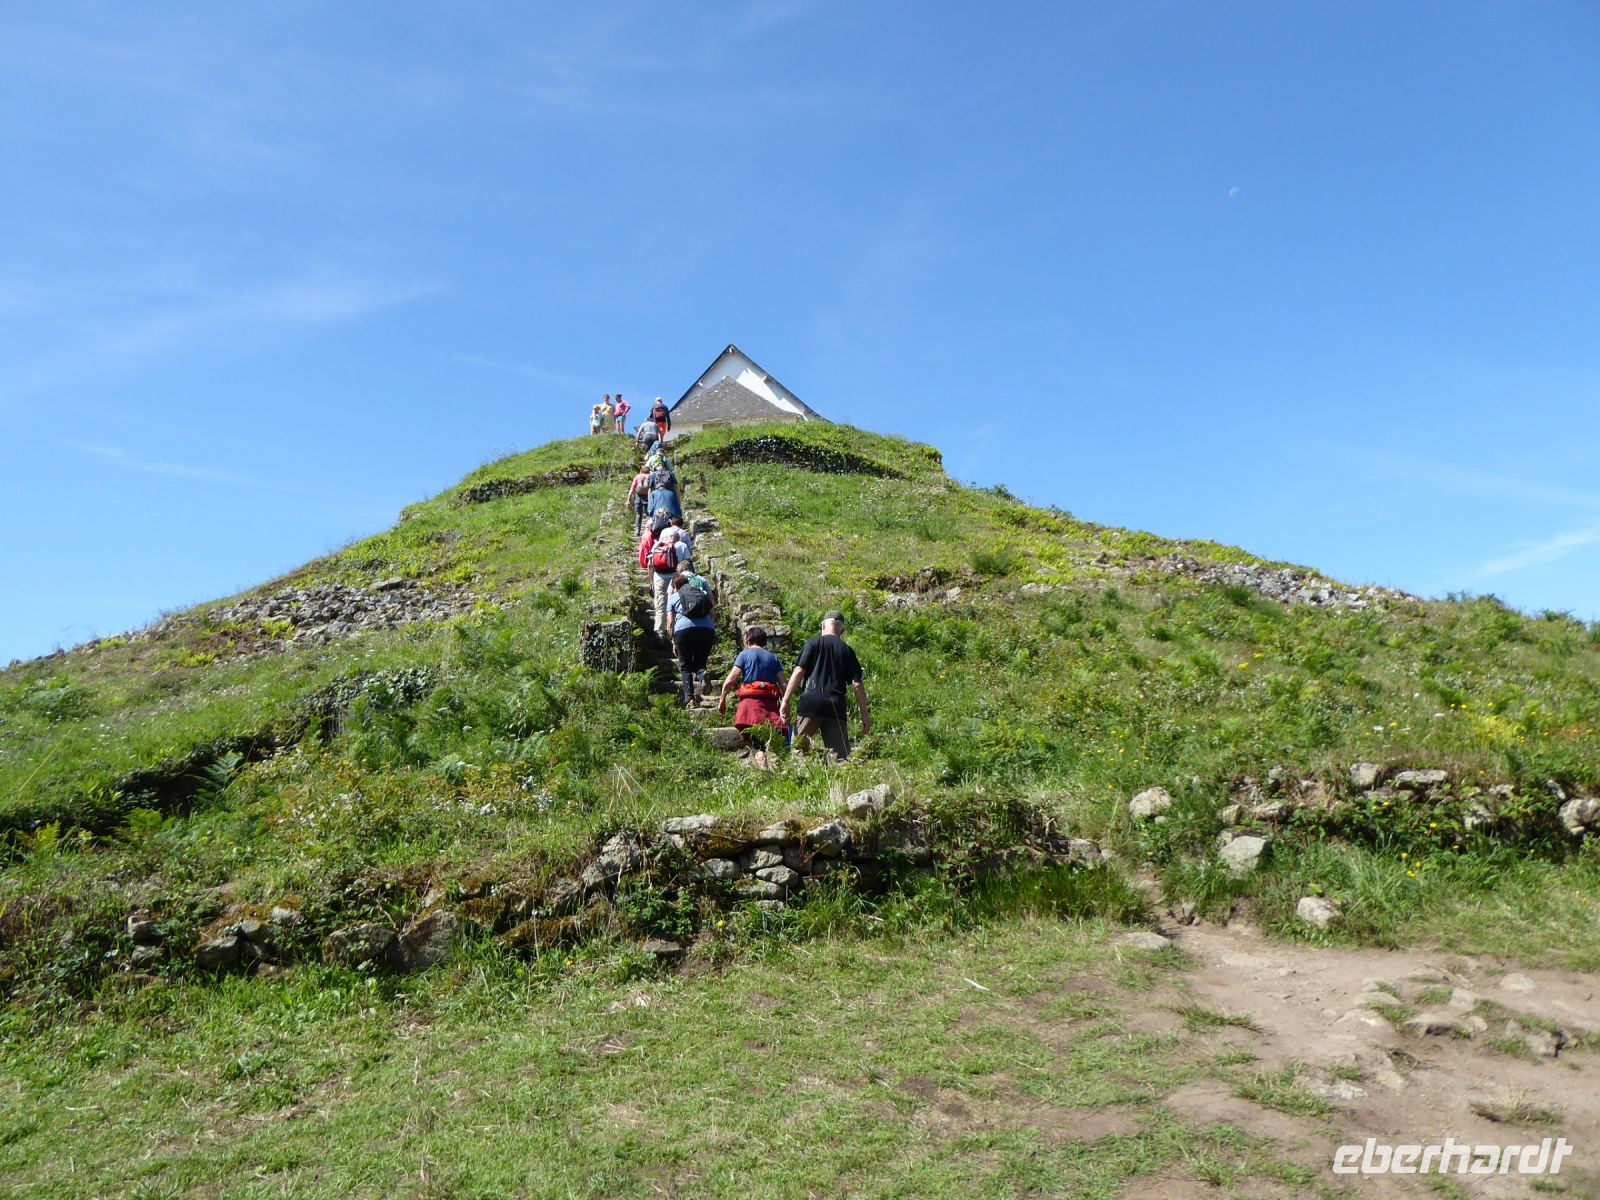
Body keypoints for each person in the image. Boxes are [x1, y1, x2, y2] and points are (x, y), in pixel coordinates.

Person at [781, 611, 870, 761]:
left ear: (823, 626)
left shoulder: (812, 643)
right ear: (842, 630)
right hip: (836, 706)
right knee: (840, 758)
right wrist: (864, 715)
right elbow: (857, 684)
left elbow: (799, 671)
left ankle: (800, 774)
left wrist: (786, 700)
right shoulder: (847, 650)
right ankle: (840, 776)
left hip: (811, 703)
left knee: (798, 751)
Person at [719, 626, 786, 734]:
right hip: (770, 706)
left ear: (748, 641)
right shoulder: (773, 658)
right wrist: (786, 703)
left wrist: (722, 699)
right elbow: (784, 684)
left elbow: (731, 679)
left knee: (749, 735)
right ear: (763, 642)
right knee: (772, 735)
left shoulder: (744, 655)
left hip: (749, 706)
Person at [668, 565, 715, 707]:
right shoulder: (701, 592)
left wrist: (673, 640)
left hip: (683, 631)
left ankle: (689, 699)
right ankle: (701, 674)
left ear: (675, 587)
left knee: (685, 666)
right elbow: (712, 612)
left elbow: (670, 622)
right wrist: (710, 627)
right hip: (707, 629)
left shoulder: (674, 597)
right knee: (700, 662)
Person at [640, 526, 689, 637]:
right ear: (677, 538)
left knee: (660, 605)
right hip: (677, 577)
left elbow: (650, 565)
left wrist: (652, 581)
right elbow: (687, 564)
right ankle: (675, 630)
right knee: (678, 603)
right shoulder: (682, 545)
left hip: (659, 577)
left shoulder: (657, 546)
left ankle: (660, 633)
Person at [626, 464, 653, 535]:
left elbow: (632, 487)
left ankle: (637, 530)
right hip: (648, 497)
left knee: (638, 514)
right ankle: (649, 530)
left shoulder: (637, 476)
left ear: (641, 471)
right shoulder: (651, 476)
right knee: (648, 514)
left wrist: (628, 499)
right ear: (648, 471)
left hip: (638, 497)